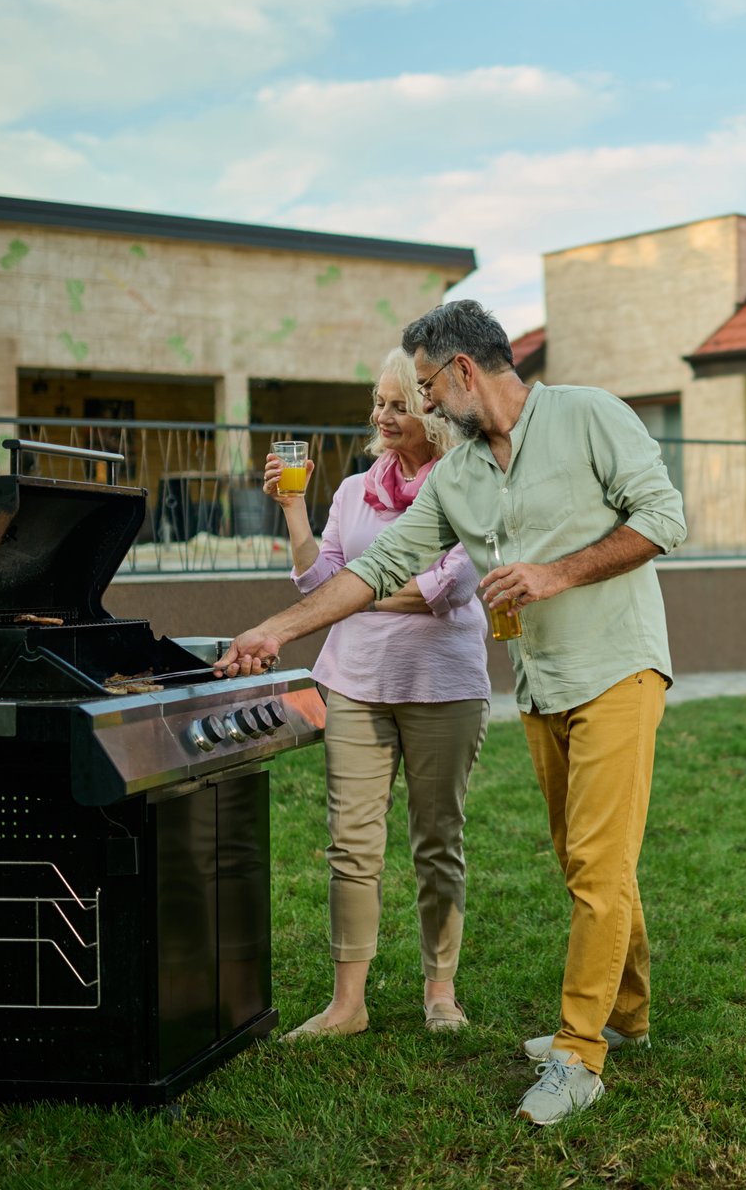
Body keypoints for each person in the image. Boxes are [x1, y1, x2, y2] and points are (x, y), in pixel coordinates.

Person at [214, 299, 686, 1127]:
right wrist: (275, 630)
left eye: (428, 384)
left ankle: (580, 1055)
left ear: (464, 370)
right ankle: (628, 1016)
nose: (424, 401)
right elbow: (377, 568)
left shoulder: (589, 415)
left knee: (595, 866)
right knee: (591, 862)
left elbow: (663, 518)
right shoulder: (461, 474)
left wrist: (555, 574)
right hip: (543, 683)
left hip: (619, 666)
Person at [270, 349, 491, 1042]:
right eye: (379, 402)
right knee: (351, 846)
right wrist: (294, 511)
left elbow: (446, 590)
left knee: (438, 841)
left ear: (433, 413)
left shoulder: (467, 484)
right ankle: (347, 1005)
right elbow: (319, 585)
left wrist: (355, 598)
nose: (383, 416)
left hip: (442, 686)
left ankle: (440, 992)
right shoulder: (352, 491)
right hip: (355, 684)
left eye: (400, 404)